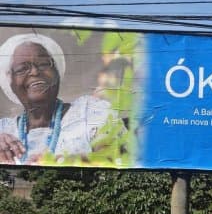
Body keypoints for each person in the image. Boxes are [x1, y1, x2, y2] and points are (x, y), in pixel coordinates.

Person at [0, 33, 125, 165]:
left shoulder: (90, 113)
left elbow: (114, 158)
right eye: (22, 68)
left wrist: (60, 161)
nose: (35, 72)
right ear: (10, 82)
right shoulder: (3, 129)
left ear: (57, 72)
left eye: (43, 64)